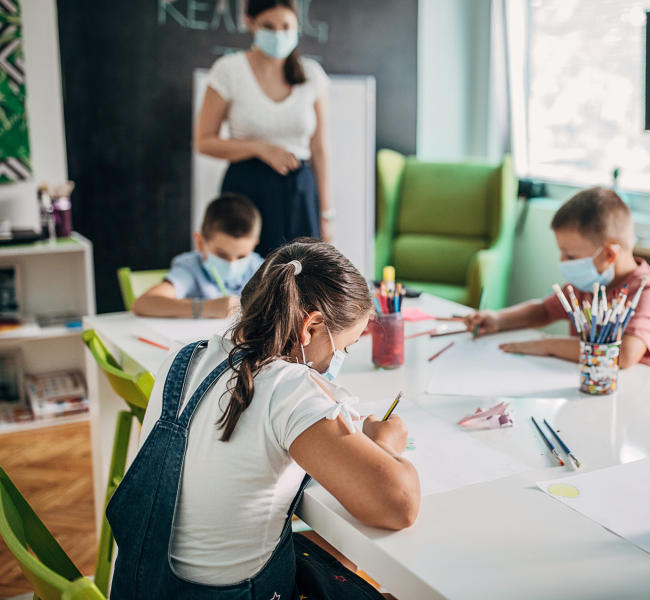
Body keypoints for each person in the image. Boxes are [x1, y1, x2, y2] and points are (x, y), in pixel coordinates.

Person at [108, 240, 419, 599]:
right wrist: (385, 443)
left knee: (335, 557)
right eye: (343, 347)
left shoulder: (186, 357)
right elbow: (399, 505)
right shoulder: (289, 388)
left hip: (144, 586)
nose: (338, 359)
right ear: (311, 327)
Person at [195, 0, 334, 254]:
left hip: (299, 192)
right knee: (251, 280)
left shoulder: (312, 75)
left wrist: (326, 214)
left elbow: (320, 149)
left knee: (301, 279)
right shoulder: (228, 70)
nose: (279, 34)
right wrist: (260, 149)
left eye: (286, 26)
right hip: (247, 191)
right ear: (250, 23)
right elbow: (204, 141)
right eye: (268, 27)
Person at [462, 187, 650, 369]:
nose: (562, 261)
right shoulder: (588, 285)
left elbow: (624, 355)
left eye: (570, 256)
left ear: (609, 255)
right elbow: (544, 311)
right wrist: (499, 320)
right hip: (585, 384)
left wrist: (549, 345)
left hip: (634, 396)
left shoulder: (646, 290)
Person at [132, 193, 262, 318]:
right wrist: (206, 307)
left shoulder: (260, 268)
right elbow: (143, 304)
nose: (231, 264)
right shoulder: (191, 268)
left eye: (241, 257)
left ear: (254, 244)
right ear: (200, 243)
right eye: (222, 255)